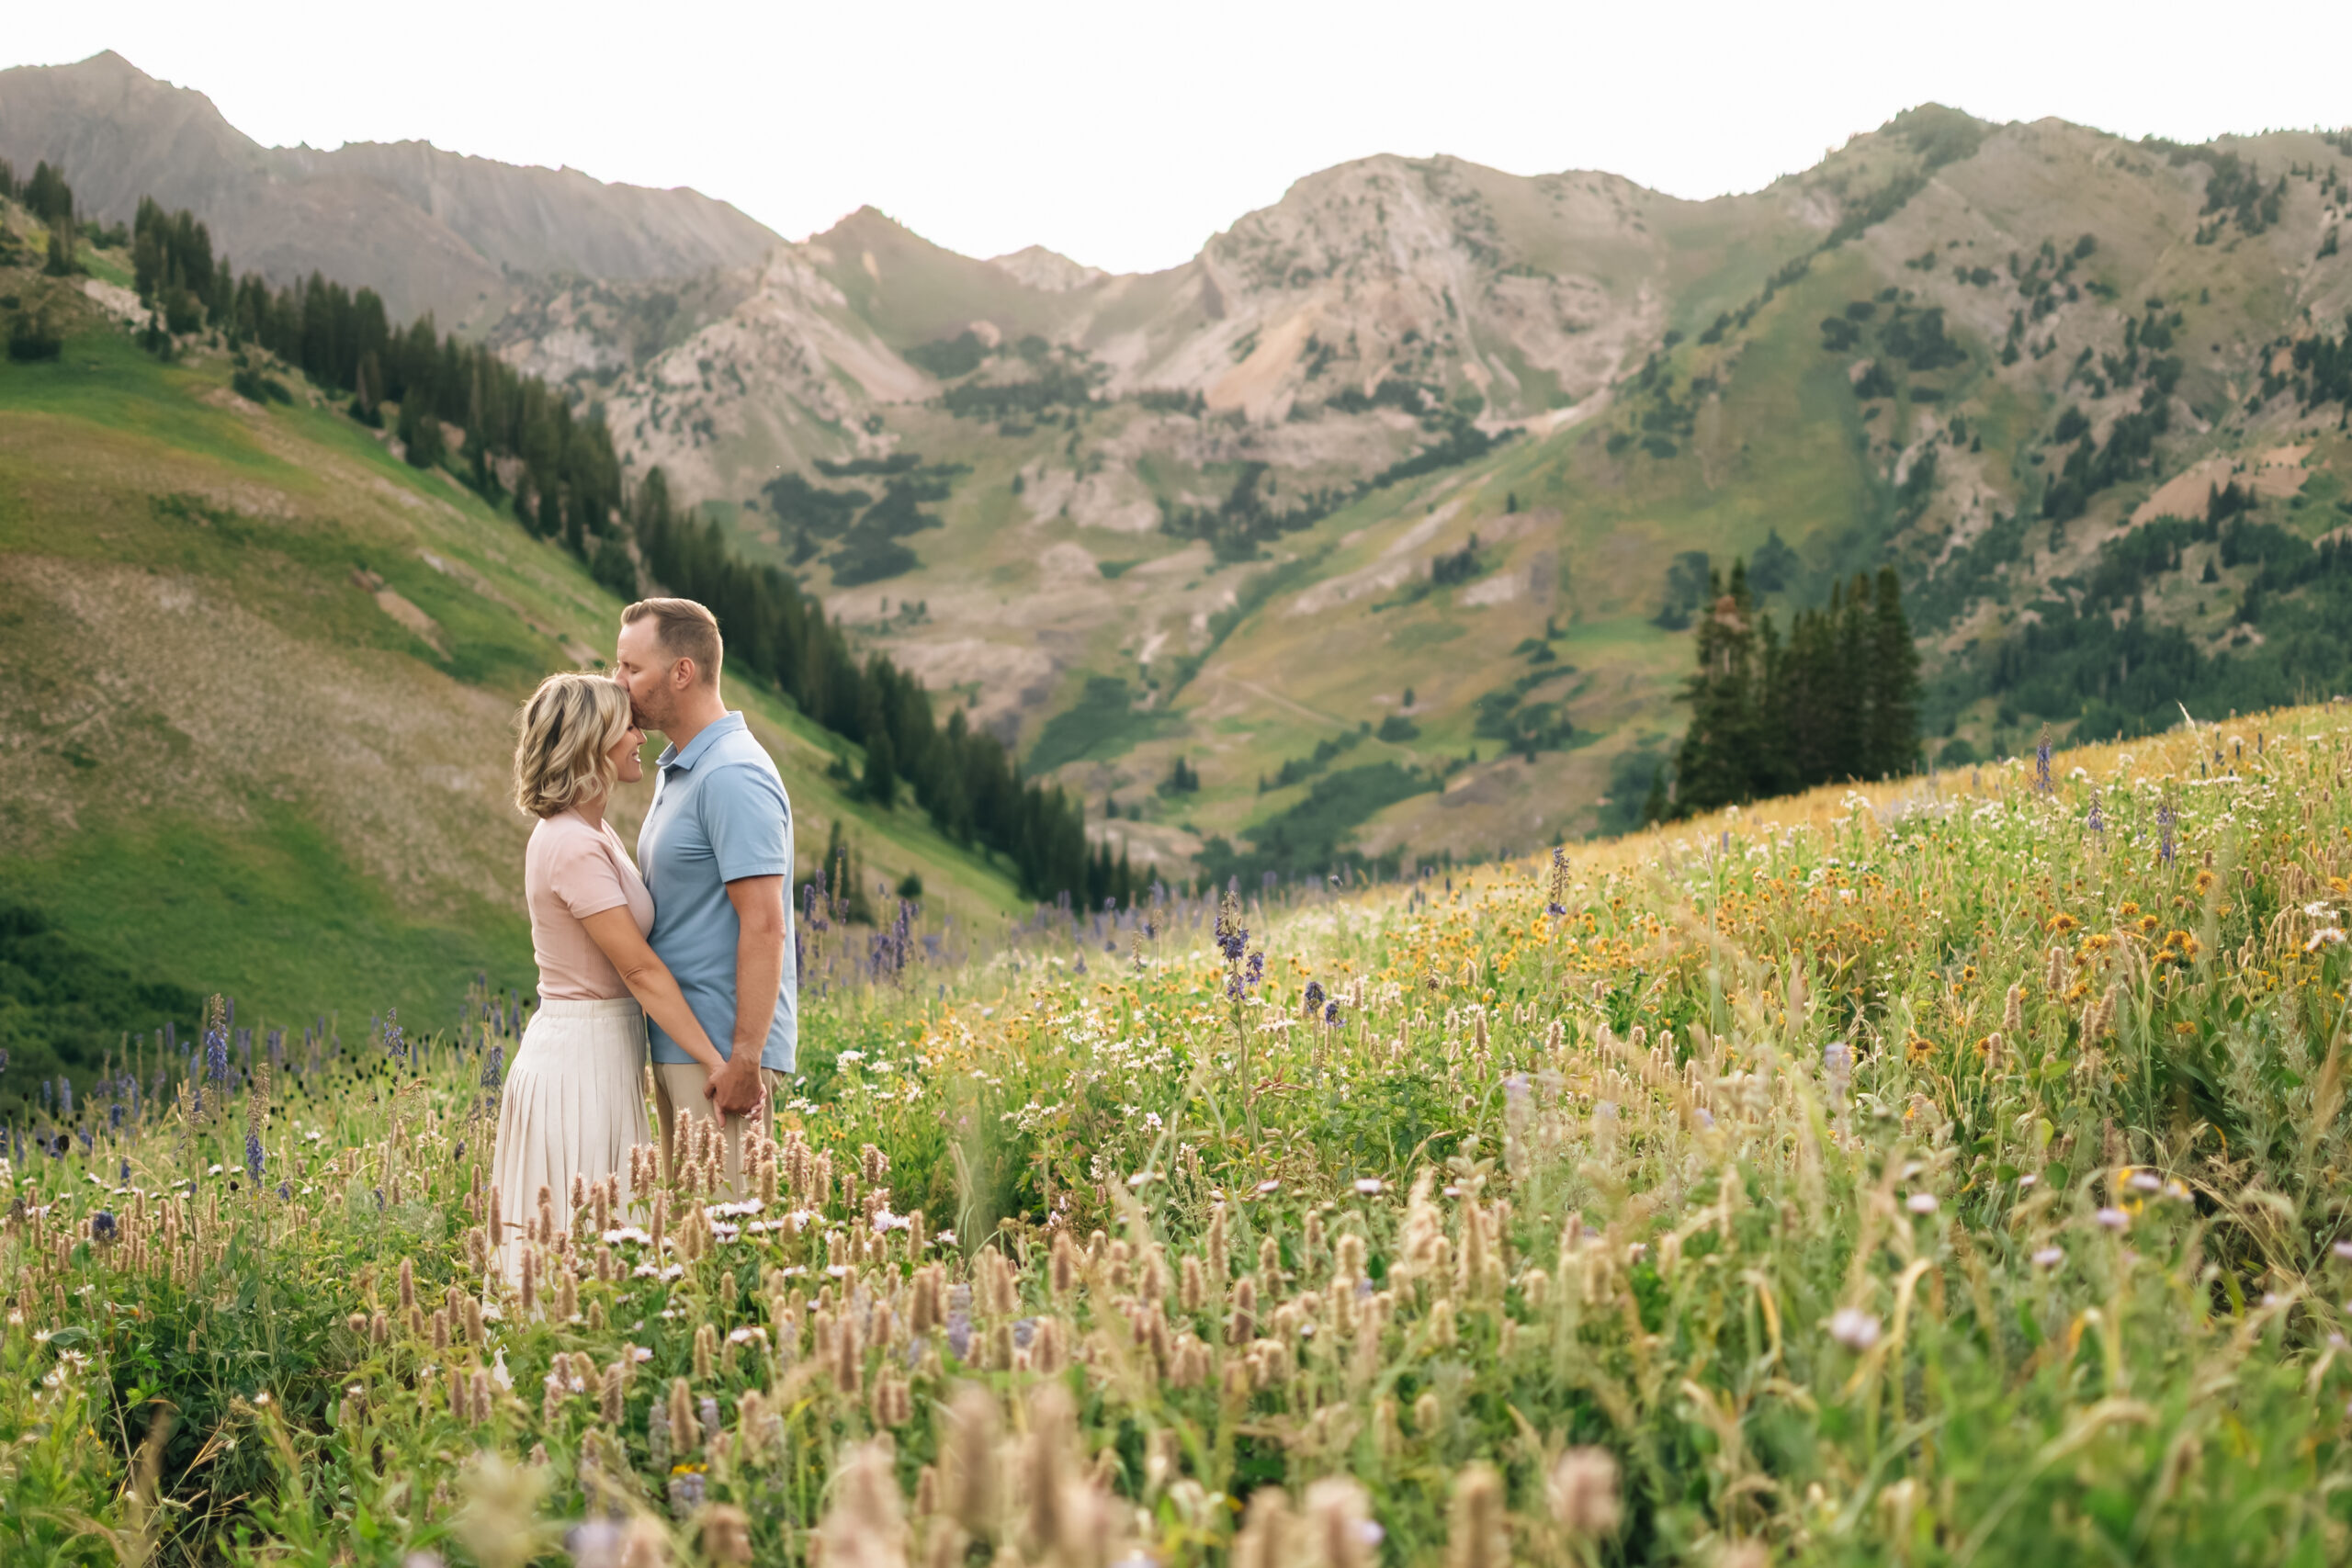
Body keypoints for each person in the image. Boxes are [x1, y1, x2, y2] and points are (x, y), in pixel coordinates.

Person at [489, 672, 732, 1283]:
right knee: (583, 1242)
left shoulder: (595, 832)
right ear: (589, 742)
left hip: (600, 1051)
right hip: (580, 1060)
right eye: (625, 725)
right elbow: (639, 969)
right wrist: (715, 1060)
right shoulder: (571, 843)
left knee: (599, 1237)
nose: (639, 734)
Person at [613, 597, 795, 1196]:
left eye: (631, 669)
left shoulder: (731, 773)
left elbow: (765, 925)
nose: (619, 685)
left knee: (731, 1241)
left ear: (682, 671)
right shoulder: (684, 768)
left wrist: (745, 1057)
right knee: (691, 1253)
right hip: (685, 1049)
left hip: (721, 1059)